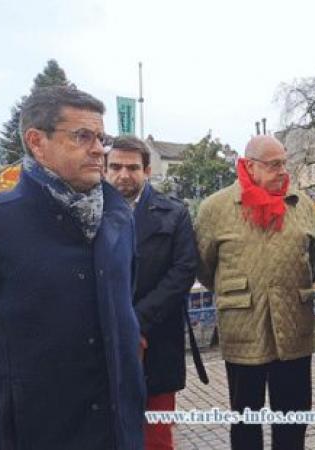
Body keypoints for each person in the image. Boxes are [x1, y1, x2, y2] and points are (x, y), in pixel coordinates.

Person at [0, 86, 145, 449]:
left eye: (101, 137)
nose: (100, 148)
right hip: (33, 432)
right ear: (37, 142)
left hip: (117, 431)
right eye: (83, 136)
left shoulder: (117, 218)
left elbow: (123, 305)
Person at [195, 135, 315, 450]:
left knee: (293, 415)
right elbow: (205, 267)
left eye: (284, 163)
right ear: (250, 166)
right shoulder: (215, 209)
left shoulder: (301, 204)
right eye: (274, 164)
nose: (282, 171)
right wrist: (238, 292)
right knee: (246, 417)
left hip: (294, 327)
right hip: (244, 328)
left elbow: (314, 259)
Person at [105, 135, 200, 450]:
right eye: (115, 166)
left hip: (156, 340)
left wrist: (138, 324)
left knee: (156, 436)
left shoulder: (174, 213)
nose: (123, 174)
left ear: (146, 170)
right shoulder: (88, 214)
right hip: (103, 341)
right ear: (105, 169)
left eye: (132, 167)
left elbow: (184, 270)